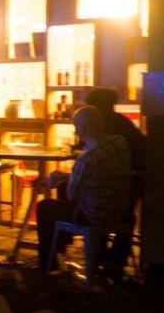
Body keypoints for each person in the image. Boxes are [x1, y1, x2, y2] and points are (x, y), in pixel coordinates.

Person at [37, 105, 132, 274]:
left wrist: (54, 181)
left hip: (93, 215)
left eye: (75, 128)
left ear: (82, 128)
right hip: (119, 210)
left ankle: (49, 263)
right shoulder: (120, 143)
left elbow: (71, 196)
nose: (75, 132)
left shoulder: (86, 158)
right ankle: (62, 245)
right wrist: (69, 177)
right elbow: (100, 175)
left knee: (45, 207)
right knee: (64, 190)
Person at [84, 87, 146, 266]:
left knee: (92, 202)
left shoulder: (98, 126)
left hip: (120, 186)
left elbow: (85, 151)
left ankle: (98, 256)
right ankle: (114, 262)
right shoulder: (124, 125)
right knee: (124, 215)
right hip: (130, 185)